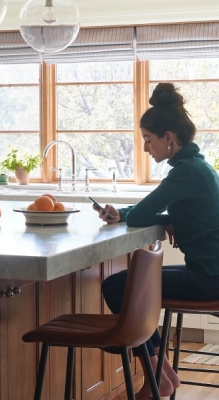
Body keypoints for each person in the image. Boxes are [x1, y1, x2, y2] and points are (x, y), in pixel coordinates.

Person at [94, 82, 219, 400]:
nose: (146, 148)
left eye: (148, 140)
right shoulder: (198, 168)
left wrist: (151, 217)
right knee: (129, 288)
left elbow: (141, 214)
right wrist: (164, 218)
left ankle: (157, 373)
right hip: (211, 274)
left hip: (209, 279)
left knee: (117, 286)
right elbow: (153, 210)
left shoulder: (185, 172)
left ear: (169, 138)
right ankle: (161, 373)